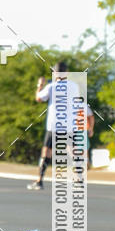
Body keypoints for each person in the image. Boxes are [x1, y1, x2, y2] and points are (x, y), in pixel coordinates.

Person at [28, 61, 81, 190]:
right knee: (73, 150)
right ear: (67, 72)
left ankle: (39, 180)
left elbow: (38, 98)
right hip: (69, 125)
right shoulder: (74, 86)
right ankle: (79, 179)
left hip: (54, 125)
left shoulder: (51, 86)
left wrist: (39, 85)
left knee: (46, 151)